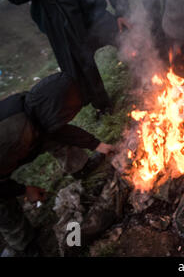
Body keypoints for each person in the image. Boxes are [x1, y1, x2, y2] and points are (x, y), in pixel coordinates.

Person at [0, 73, 115, 257]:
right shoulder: (16, 137)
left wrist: (97, 145)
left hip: (23, 136)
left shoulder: (33, 108)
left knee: (52, 136)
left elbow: (60, 131)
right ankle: (24, 245)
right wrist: (24, 189)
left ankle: (80, 167)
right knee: (4, 206)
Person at [0, 0, 130, 114]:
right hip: (59, 25)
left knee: (130, 38)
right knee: (82, 72)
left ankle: (149, 76)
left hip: (92, 12)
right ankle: (103, 108)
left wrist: (122, 10)